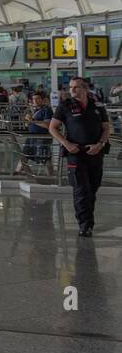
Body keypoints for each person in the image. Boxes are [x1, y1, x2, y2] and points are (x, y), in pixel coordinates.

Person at [48, 77, 111, 236]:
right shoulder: (65, 106)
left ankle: (88, 220)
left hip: (95, 153)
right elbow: (52, 128)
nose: (72, 90)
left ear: (86, 89)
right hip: (75, 153)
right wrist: (66, 143)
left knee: (92, 190)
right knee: (81, 190)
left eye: (76, 87)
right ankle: (85, 225)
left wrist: (100, 144)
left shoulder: (97, 106)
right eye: (71, 87)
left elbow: (106, 128)